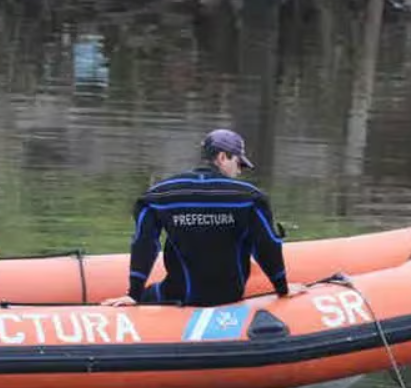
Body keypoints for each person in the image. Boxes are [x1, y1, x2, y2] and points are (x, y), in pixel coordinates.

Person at [102, 129, 306, 308]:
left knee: (149, 294)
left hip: (179, 295)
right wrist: (282, 288)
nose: (238, 171)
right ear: (222, 157)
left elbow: (144, 243)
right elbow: (266, 246)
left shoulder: (158, 195)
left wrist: (134, 295)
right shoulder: (250, 197)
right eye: (238, 163)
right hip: (229, 296)